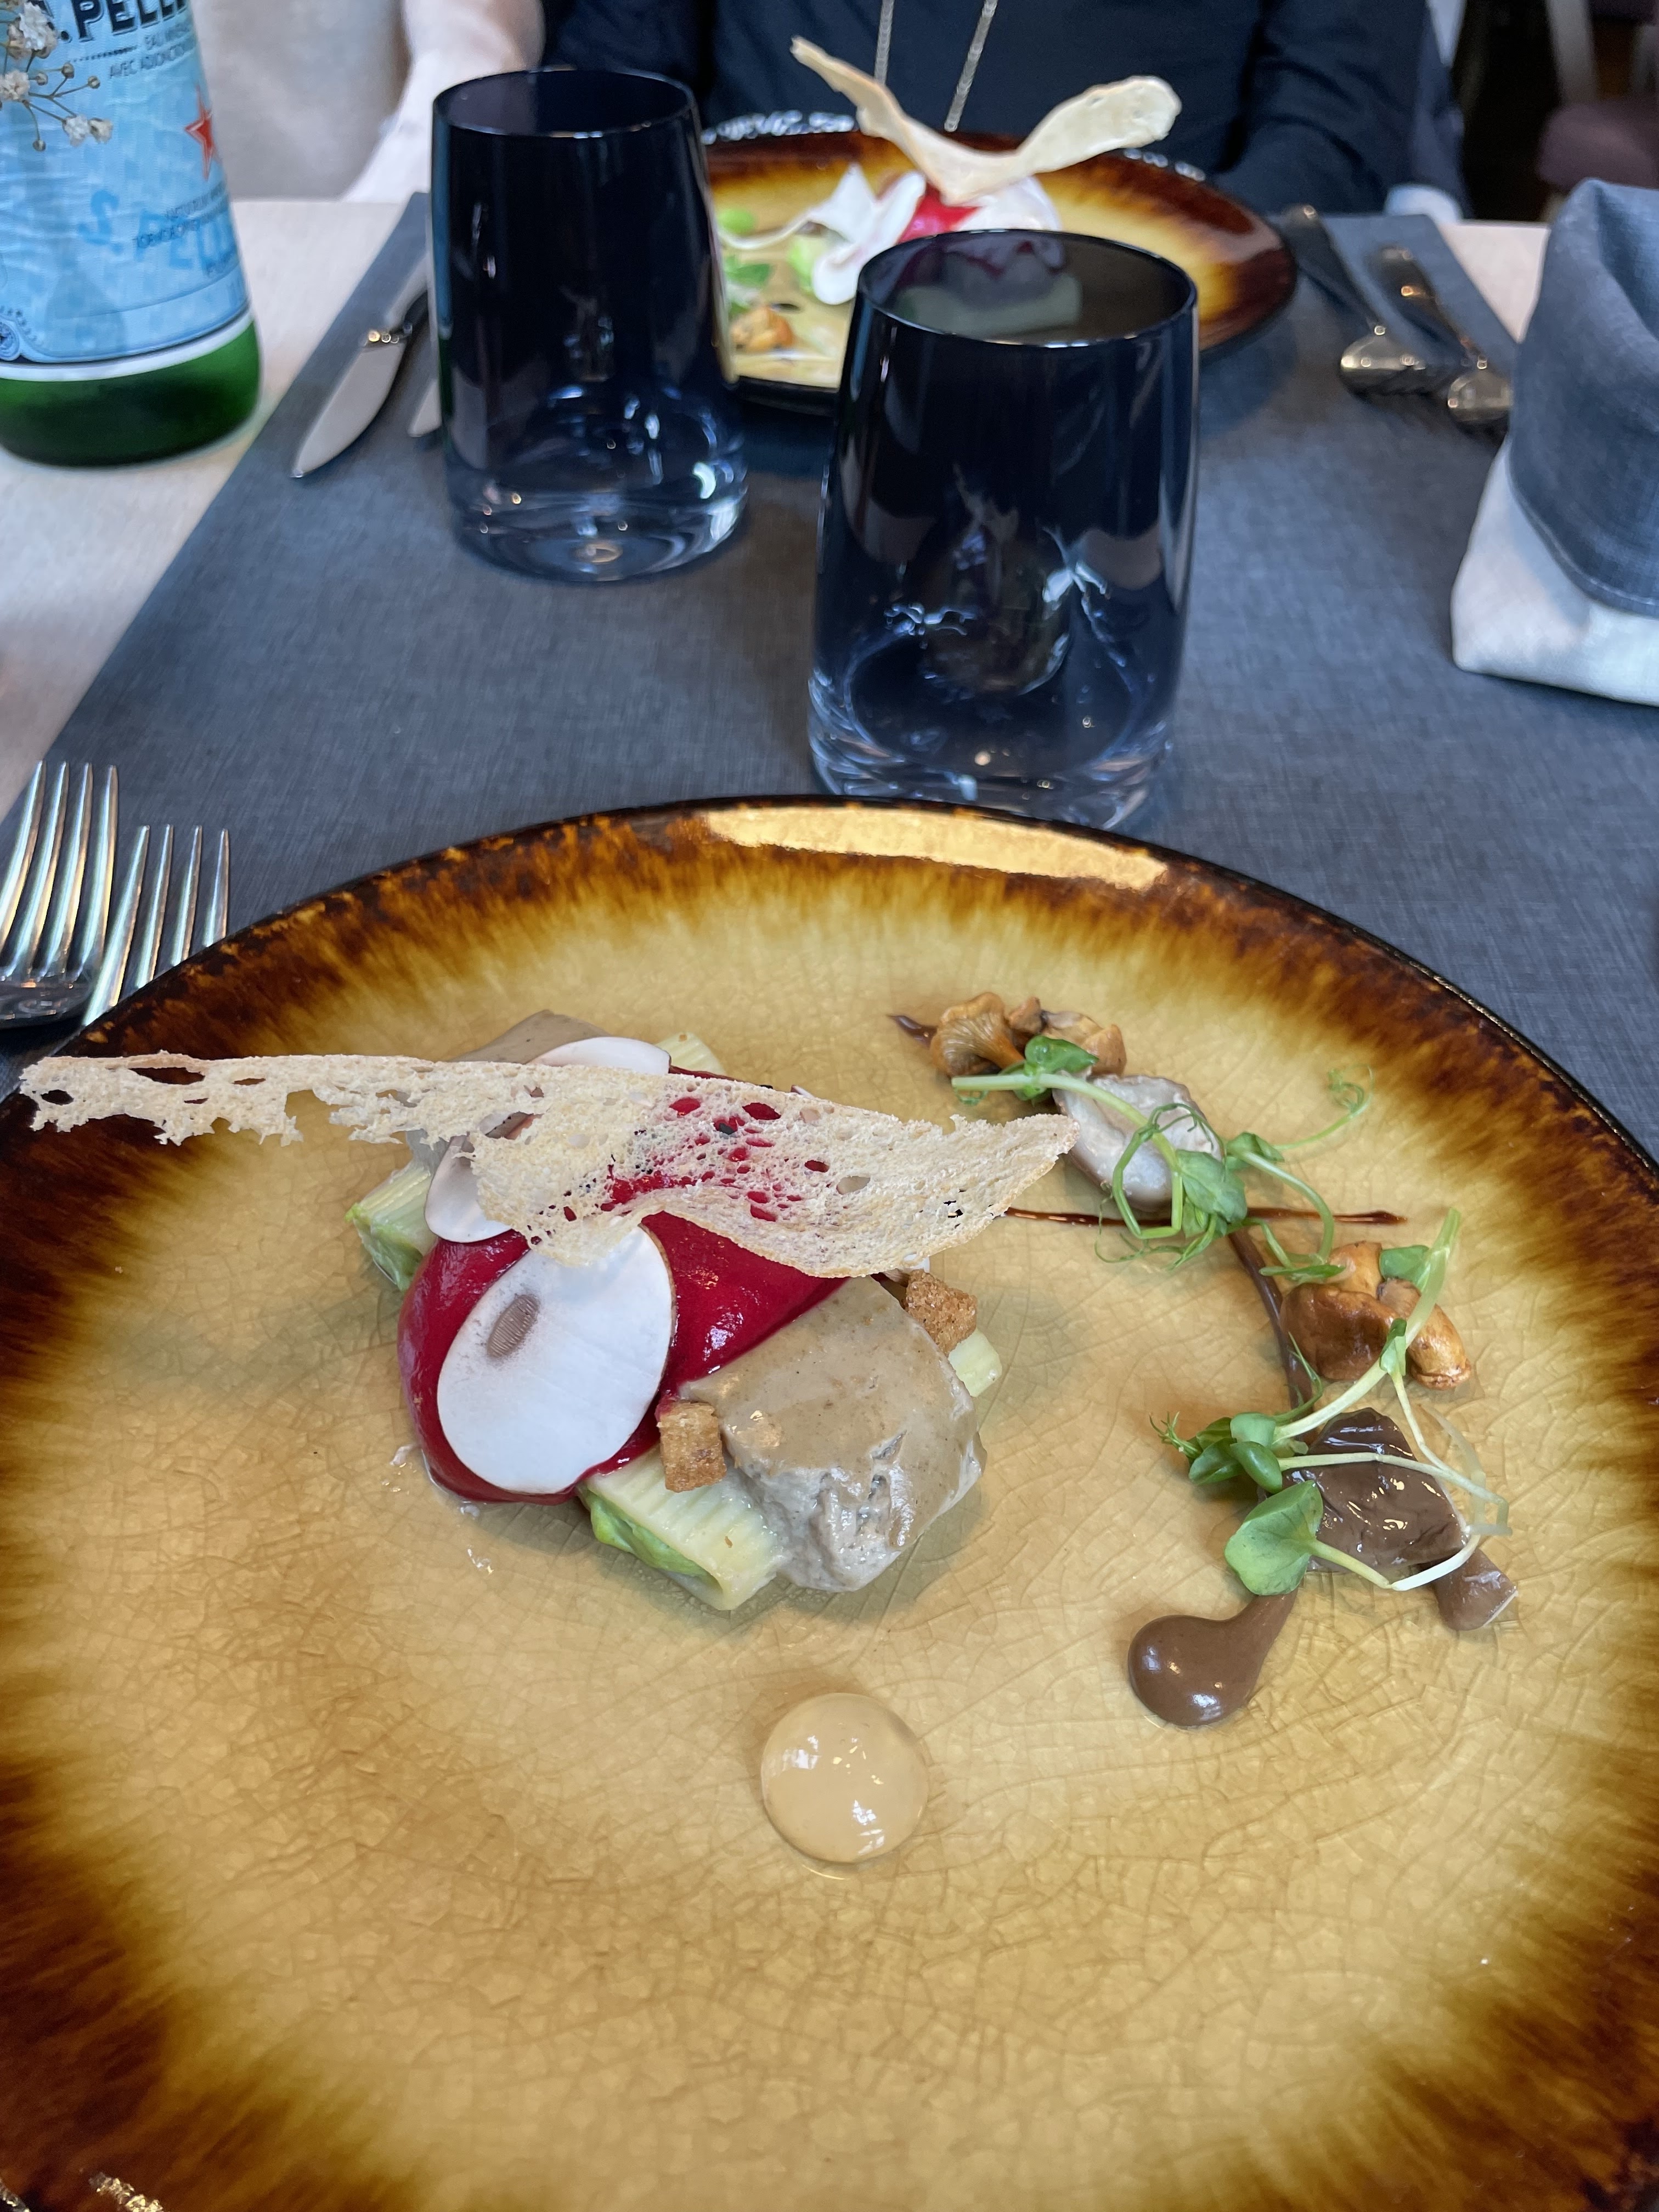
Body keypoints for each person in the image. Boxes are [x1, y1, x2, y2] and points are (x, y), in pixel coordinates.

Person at [553, 0, 1430, 214]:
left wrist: (1160, 294)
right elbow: (617, 64)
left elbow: (1331, 130)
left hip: (1121, 355)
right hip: (741, 309)